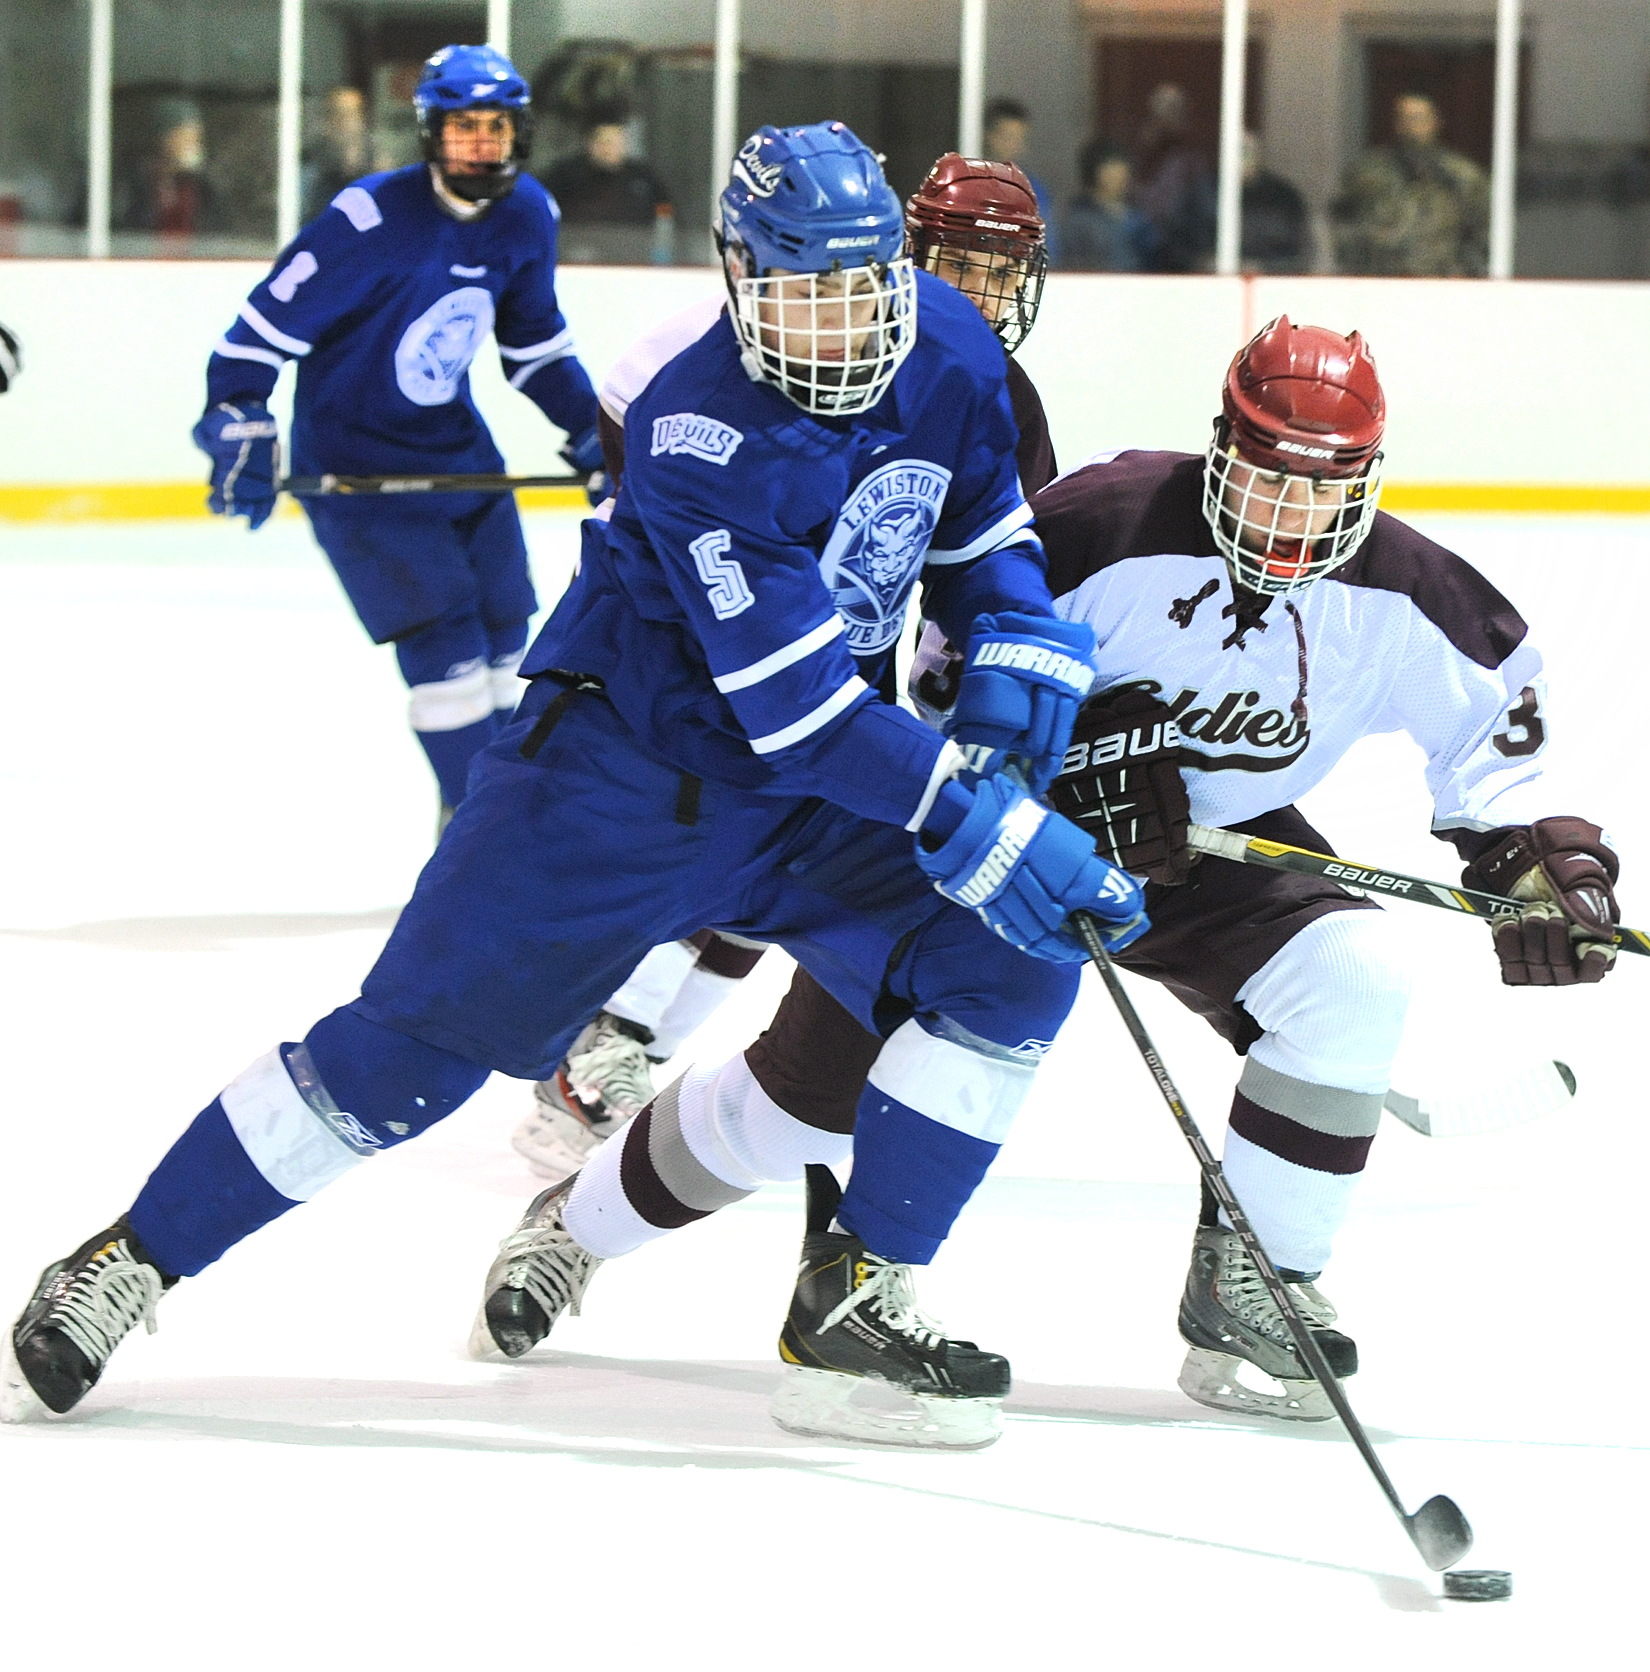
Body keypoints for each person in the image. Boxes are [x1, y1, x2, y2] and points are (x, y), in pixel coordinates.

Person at [1, 122, 1147, 1453]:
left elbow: (982, 535)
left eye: (859, 288)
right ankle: (132, 1256)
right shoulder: (699, 430)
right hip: (612, 786)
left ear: (898, 269)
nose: (838, 327)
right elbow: (801, 715)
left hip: (802, 803)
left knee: (1009, 961)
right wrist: (977, 813)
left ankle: (857, 1295)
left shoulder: (951, 348)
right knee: (401, 1066)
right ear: (740, 278)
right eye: (802, 294)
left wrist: (1012, 648)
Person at [494, 314, 1623, 1434]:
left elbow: (1500, 747)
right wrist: (1064, 767)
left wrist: (1540, 863)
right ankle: (576, 1225)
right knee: (801, 1106)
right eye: (1269, 479)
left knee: (1353, 977)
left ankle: (1260, 1282)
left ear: (1367, 483)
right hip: (1010, 836)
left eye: (1323, 492)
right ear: (1222, 449)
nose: (1290, 517)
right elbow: (936, 690)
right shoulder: (1098, 526)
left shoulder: (1411, 593)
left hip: (1214, 852)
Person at [508, 153, 1062, 1187]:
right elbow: (634, 396)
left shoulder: (989, 390)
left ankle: (622, 1052)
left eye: (1002, 271)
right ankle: (598, 1039)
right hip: (710, 659)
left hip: (839, 676)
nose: (981, 292)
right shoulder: (787, 332)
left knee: (781, 878)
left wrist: (968, 695)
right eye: (959, 263)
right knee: (704, 850)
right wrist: (649, 507)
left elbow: (980, 563)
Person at [187, 45, 604, 830]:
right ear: (429, 133)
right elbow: (253, 341)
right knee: (446, 650)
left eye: (496, 128)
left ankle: (508, 817)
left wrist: (590, 426)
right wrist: (239, 415)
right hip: (357, 468)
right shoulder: (367, 221)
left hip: (458, 455)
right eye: (463, 127)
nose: (481, 144)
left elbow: (535, 349)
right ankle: (479, 827)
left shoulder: (527, 214)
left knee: (510, 640)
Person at [1332, 92, 1489, 277]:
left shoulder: (1463, 177)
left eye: (1420, 118)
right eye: (1405, 119)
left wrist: (1467, 274)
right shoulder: (1367, 175)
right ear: (1396, 124)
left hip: (1443, 282)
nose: (1413, 126)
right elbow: (1342, 224)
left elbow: (1483, 231)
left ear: (1436, 122)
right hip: (1383, 281)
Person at [538, 105, 672, 228]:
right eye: (604, 142)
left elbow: (666, 212)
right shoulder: (565, 175)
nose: (608, 149)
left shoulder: (643, 179)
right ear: (590, 143)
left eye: (616, 142)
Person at [1131, 83, 1216, 273]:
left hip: (1183, 251)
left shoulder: (1193, 158)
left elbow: (1205, 210)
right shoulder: (1140, 153)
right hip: (1142, 248)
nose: (1166, 116)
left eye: (1173, 108)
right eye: (1160, 108)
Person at [1061, 138, 1157, 271]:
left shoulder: (1138, 217)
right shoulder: (1079, 220)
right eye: (1111, 173)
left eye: (1123, 173)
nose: (1119, 179)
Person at [983, 97, 1058, 265]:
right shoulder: (967, 182)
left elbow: (1047, 245)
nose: (1014, 145)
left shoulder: (1032, 189)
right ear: (988, 135)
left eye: (1019, 138)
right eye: (1007, 137)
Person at [1239, 131, 1308, 273]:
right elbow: (1194, 250)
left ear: (1260, 155)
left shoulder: (1283, 196)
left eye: (1247, 152)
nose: (1242, 159)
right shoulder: (1206, 194)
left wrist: (1265, 267)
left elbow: (1297, 251)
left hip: (1275, 277)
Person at [301, 86, 370, 224]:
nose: (344, 121)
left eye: (351, 114)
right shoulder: (311, 166)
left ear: (362, 119)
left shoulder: (378, 162)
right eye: (337, 113)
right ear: (327, 119)